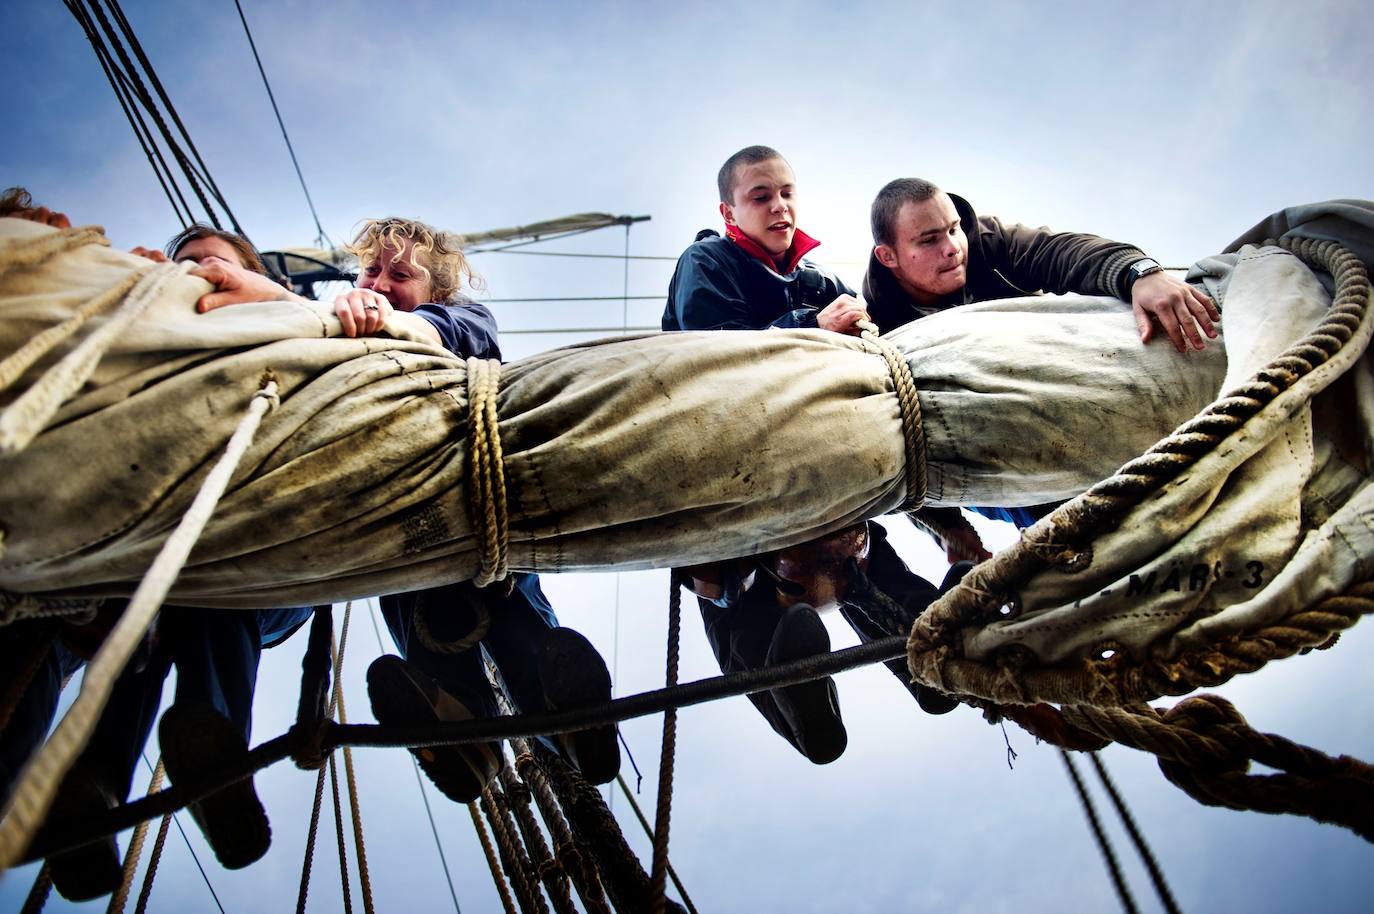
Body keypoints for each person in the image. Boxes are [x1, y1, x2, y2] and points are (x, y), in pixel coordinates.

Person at [0, 201, 316, 900]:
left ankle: (212, 744)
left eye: (215, 260)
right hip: (131, 557)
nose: (196, 268)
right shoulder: (151, 298)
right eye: (184, 257)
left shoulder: (282, 312)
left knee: (206, 589)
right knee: (94, 624)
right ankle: (90, 785)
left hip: (248, 557)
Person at [270, 216, 620, 800]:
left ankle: (568, 720)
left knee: (519, 625)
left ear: (436, 290)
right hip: (389, 515)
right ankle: (464, 738)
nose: (380, 283)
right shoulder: (334, 334)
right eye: (370, 271)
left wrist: (377, 321)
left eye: (400, 274)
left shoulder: (460, 317)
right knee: (423, 625)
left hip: (474, 500)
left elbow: (441, 336)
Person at [661, 147, 960, 765]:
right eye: (761, 195)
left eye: (787, 192)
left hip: (816, 468)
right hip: (728, 465)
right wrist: (813, 325)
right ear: (729, 210)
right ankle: (801, 701)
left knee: (863, 558)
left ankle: (921, 656)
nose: (779, 206)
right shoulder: (708, 262)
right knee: (733, 591)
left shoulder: (821, 280)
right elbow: (711, 358)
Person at [863, 177, 1223, 528]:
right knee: (1066, 523)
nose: (952, 247)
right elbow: (907, 454)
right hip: (994, 452)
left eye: (954, 229)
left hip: (1058, 392)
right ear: (888, 256)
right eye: (929, 240)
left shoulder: (988, 243)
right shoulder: (880, 335)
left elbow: (1060, 253)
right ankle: (1059, 539)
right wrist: (951, 532)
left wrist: (1140, 273)